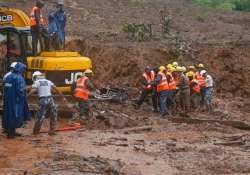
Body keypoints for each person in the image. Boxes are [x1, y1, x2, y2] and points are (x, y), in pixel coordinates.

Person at [27, 71, 66, 135]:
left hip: (43, 100)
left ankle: (36, 132)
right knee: (54, 115)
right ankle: (52, 131)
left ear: (36, 77)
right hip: (50, 99)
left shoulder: (37, 82)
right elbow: (56, 89)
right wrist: (63, 97)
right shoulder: (48, 81)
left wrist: (24, 92)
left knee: (40, 116)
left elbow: (31, 89)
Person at [3, 63, 30, 138]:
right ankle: (11, 134)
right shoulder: (19, 78)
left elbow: (5, 87)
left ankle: (11, 132)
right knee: (15, 115)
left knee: (8, 115)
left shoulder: (9, 76)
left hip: (8, 99)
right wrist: (23, 98)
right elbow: (20, 90)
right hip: (16, 100)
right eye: (23, 69)